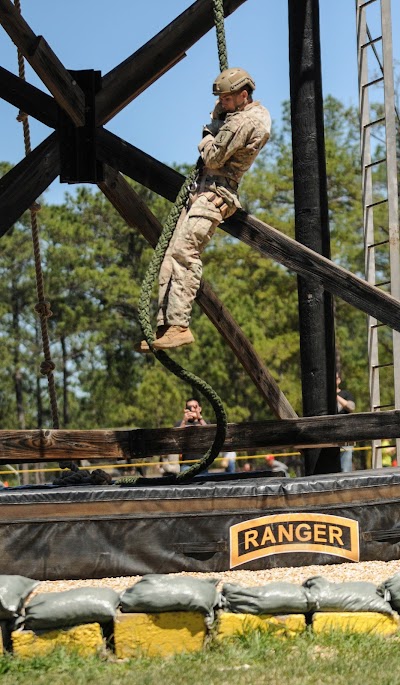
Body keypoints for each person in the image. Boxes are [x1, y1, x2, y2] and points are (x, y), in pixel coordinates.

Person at [136, 67, 271, 352]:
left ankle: (179, 325)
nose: (221, 102)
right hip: (202, 190)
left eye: (226, 98)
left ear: (243, 96)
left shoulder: (244, 122)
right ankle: (165, 325)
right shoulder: (237, 116)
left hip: (215, 195)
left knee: (185, 252)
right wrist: (221, 117)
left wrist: (209, 132)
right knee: (170, 254)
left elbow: (212, 157)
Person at [176, 397, 207, 472]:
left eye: (195, 407)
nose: (193, 409)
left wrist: (199, 418)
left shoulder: (203, 422)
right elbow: (176, 437)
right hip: (186, 464)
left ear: (200, 409)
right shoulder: (180, 423)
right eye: (190, 407)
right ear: (185, 409)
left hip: (202, 463)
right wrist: (184, 421)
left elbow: (210, 432)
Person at [336, 373, 356, 472]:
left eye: (335, 378)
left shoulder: (346, 394)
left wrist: (335, 396)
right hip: (328, 437)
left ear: (339, 380)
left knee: (345, 468)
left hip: (345, 435)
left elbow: (351, 407)